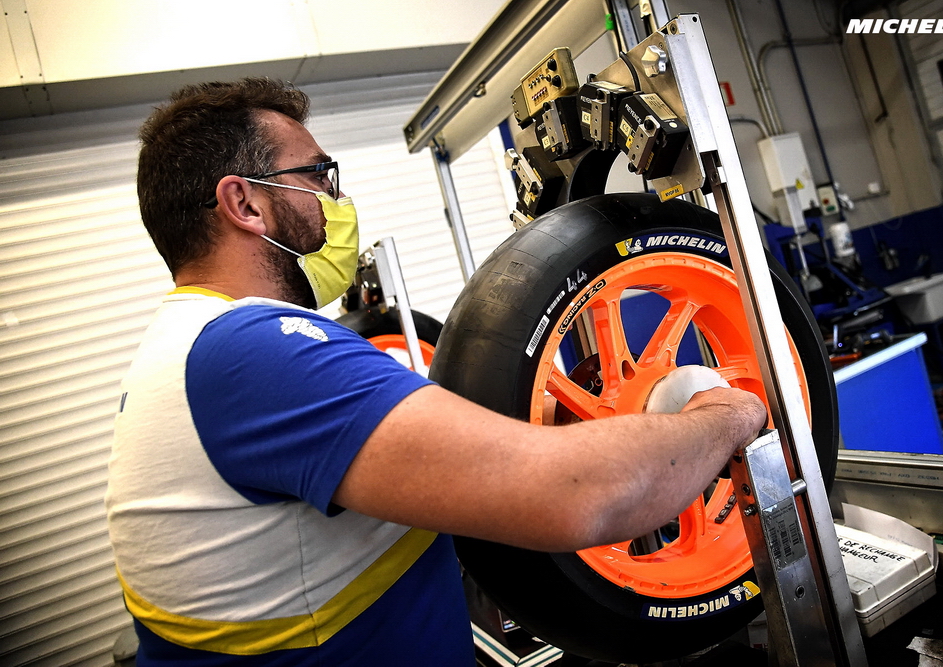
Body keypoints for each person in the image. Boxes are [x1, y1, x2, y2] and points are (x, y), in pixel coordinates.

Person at [105, 77, 767, 666]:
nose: (337, 200)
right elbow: (583, 496)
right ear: (245, 204)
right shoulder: (256, 353)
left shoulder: (186, 348)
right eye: (318, 175)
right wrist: (724, 411)